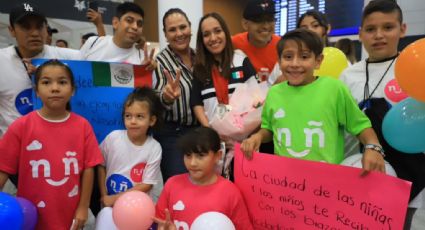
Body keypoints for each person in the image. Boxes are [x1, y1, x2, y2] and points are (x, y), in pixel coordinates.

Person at [241, 29, 385, 175]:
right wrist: (258, 136)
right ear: (279, 62)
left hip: (325, 183)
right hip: (285, 182)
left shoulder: (334, 89)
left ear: (318, 61)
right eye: (288, 57)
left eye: (304, 57)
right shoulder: (274, 93)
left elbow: (360, 126)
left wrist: (373, 147)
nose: (295, 63)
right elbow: (269, 129)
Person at [340, 1, 425, 228]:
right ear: (360, 34)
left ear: (402, 29)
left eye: (388, 27)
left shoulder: (416, 68)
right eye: (370, 29)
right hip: (364, 177)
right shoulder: (348, 76)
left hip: (416, 179)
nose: (379, 35)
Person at [0, 60, 104, 230]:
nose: (55, 88)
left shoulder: (82, 126)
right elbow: (3, 167)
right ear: (37, 91)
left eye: (62, 82)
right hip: (31, 216)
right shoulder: (21, 126)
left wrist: (83, 207)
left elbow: (88, 168)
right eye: (46, 82)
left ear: (72, 90)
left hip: (70, 215)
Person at [190, 12, 257, 179]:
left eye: (217, 31)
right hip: (213, 141)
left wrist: (242, 130)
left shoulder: (241, 61)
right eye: (206, 34)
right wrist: (210, 130)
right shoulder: (199, 68)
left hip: (243, 142)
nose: (213, 38)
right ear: (201, 40)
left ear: (225, 33)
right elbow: (196, 102)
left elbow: (256, 99)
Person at [0, 1, 81, 137]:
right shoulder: (2, 61)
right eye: (26, 27)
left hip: (57, 146)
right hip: (14, 149)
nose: (35, 33)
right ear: (12, 30)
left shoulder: (70, 57)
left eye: (40, 26)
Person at [154, 127, 253, 230]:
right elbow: (158, 222)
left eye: (200, 156)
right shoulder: (172, 184)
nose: (192, 163)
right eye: (188, 155)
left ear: (218, 156)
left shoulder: (230, 192)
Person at [98, 87, 163, 206]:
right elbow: (100, 165)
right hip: (109, 205)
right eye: (128, 116)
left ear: (152, 120)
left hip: (137, 207)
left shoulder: (154, 147)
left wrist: (116, 198)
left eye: (139, 116)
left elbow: (147, 184)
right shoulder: (113, 138)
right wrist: (104, 195)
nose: (133, 121)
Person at [153, 8, 198, 182]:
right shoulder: (159, 62)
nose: (179, 33)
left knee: (202, 183)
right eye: (172, 30)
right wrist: (166, 97)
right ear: (165, 35)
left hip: (200, 131)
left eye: (182, 27)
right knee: (179, 184)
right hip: (173, 134)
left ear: (190, 28)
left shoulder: (200, 58)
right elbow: (154, 97)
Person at [80, 2, 152, 64]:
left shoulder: (144, 59)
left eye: (139, 24)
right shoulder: (92, 44)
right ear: (115, 23)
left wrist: (145, 71)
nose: (135, 27)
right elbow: (74, 71)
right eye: (129, 20)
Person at [232, 0, 281, 85]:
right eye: (258, 20)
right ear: (245, 24)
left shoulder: (283, 46)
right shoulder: (233, 44)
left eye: (270, 19)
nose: (266, 26)